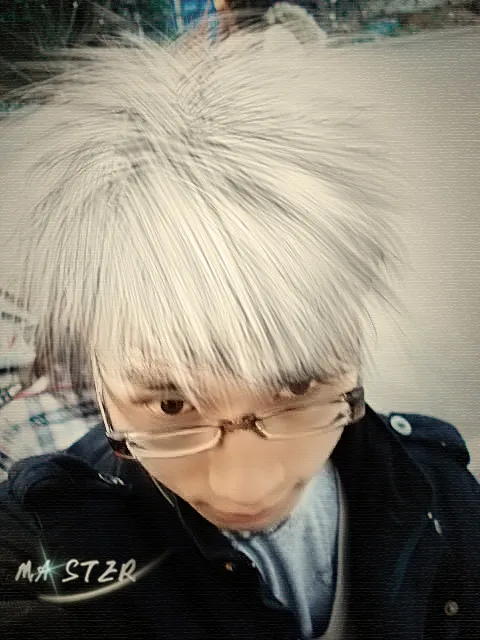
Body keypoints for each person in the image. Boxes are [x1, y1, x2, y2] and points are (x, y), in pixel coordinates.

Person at [0, 5, 479, 640]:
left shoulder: (441, 488)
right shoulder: (48, 542)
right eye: (172, 405)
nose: (247, 485)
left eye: (298, 389)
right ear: (95, 367)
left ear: (354, 341)